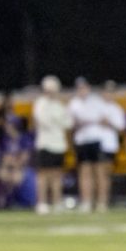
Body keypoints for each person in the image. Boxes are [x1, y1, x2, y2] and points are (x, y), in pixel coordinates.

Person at [33, 75, 73, 214]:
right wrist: (57, 120)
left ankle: (57, 202)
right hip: (45, 144)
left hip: (58, 144)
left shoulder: (59, 105)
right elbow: (43, 121)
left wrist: (58, 120)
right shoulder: (41, 103)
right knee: (43, 175)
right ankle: (42, 202)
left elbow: (68, 123)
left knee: (57, 174)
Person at [68, 77, 108, 212]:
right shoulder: (73, 103)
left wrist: (88, 122)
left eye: (84, 87)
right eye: (79, 88)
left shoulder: (96, 101)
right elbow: (71, 123)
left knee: (99, 172)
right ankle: (86, 202)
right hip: (81, 141)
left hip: (95, 139)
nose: (82, 91)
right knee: (84, 172)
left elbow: (104, 119)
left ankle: (101, 202)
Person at [95, 80, 126, 212]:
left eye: (111, 91)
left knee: (104, 174)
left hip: (109, 145)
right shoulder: (96, 106)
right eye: (107, 91)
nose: (109, 94)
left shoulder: (116, 108)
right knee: (94, 173)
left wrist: (109, 123)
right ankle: (92, 200)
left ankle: (103, 201)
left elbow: (121, 128)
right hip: (95, 143)